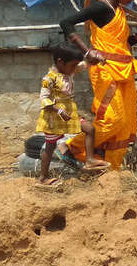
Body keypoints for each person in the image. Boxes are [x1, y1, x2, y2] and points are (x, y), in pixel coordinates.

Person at [58, 0, 137, 169]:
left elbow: (124, 43)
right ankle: (69, 146)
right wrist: (87, 52)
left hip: (125, 70)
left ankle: (112, 168)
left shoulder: (119, 12)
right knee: (112, 119)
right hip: (105, 70)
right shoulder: (99, 9)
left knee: (126, 122)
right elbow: (66, 22)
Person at [36, 43, 109, 185]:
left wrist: (98, 58)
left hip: (69, 114)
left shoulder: (69, 71)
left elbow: (85, 64)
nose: (75, 68)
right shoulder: (49, 79)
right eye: (73, 65)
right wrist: (59, 110)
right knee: (50, 147)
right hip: (54, 118)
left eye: (76, 65)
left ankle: (89, 160)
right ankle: (43, 178)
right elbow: (44, 99)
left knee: (90, 129)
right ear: (60, 62)